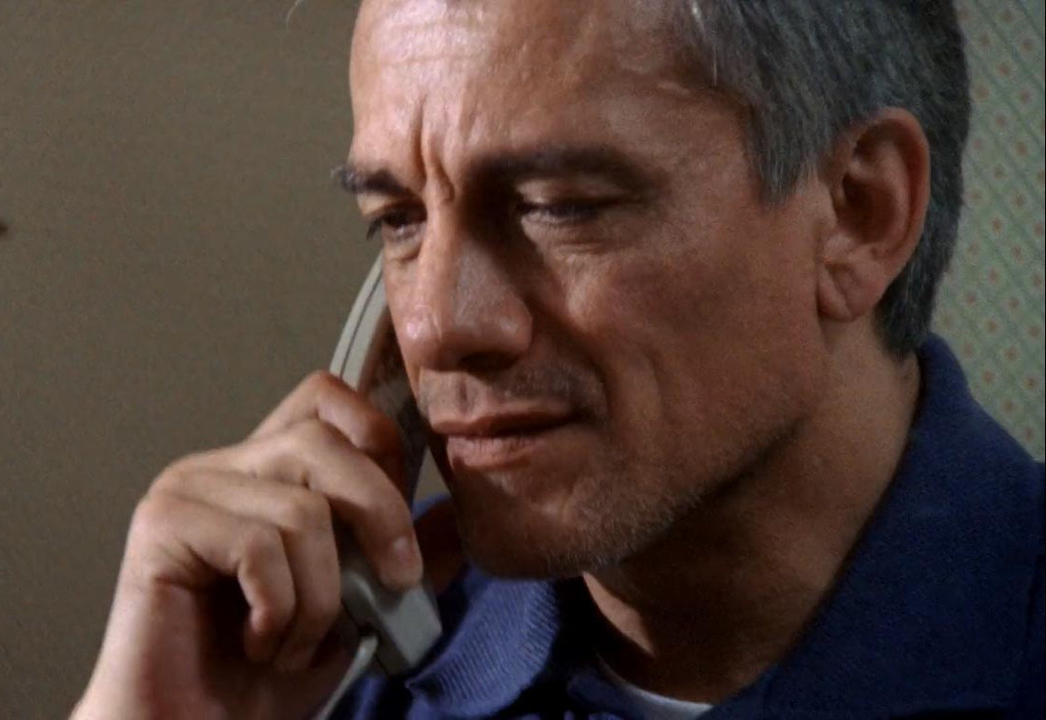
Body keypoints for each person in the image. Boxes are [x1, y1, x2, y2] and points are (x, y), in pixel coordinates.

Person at [71, 1, 1045, 718]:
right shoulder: (341, 672)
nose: (435, 330)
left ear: (858, 213)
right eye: (397, 220)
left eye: (556, 206)